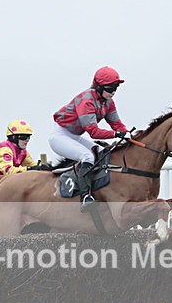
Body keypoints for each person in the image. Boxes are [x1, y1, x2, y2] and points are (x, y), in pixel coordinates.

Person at [49, 66, 130, 212]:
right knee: (87, 156)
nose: (113, 92)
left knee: (102, 151)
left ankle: (98, 190)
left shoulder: (109, 102)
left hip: (74, 136)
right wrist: (116, 135)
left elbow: (116, 124)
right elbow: (93, 132)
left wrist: (128, 133)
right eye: (110, 88)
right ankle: (85, 197)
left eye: (116, 87)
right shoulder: (86, 100)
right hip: (60, 136)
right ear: (98, 86)